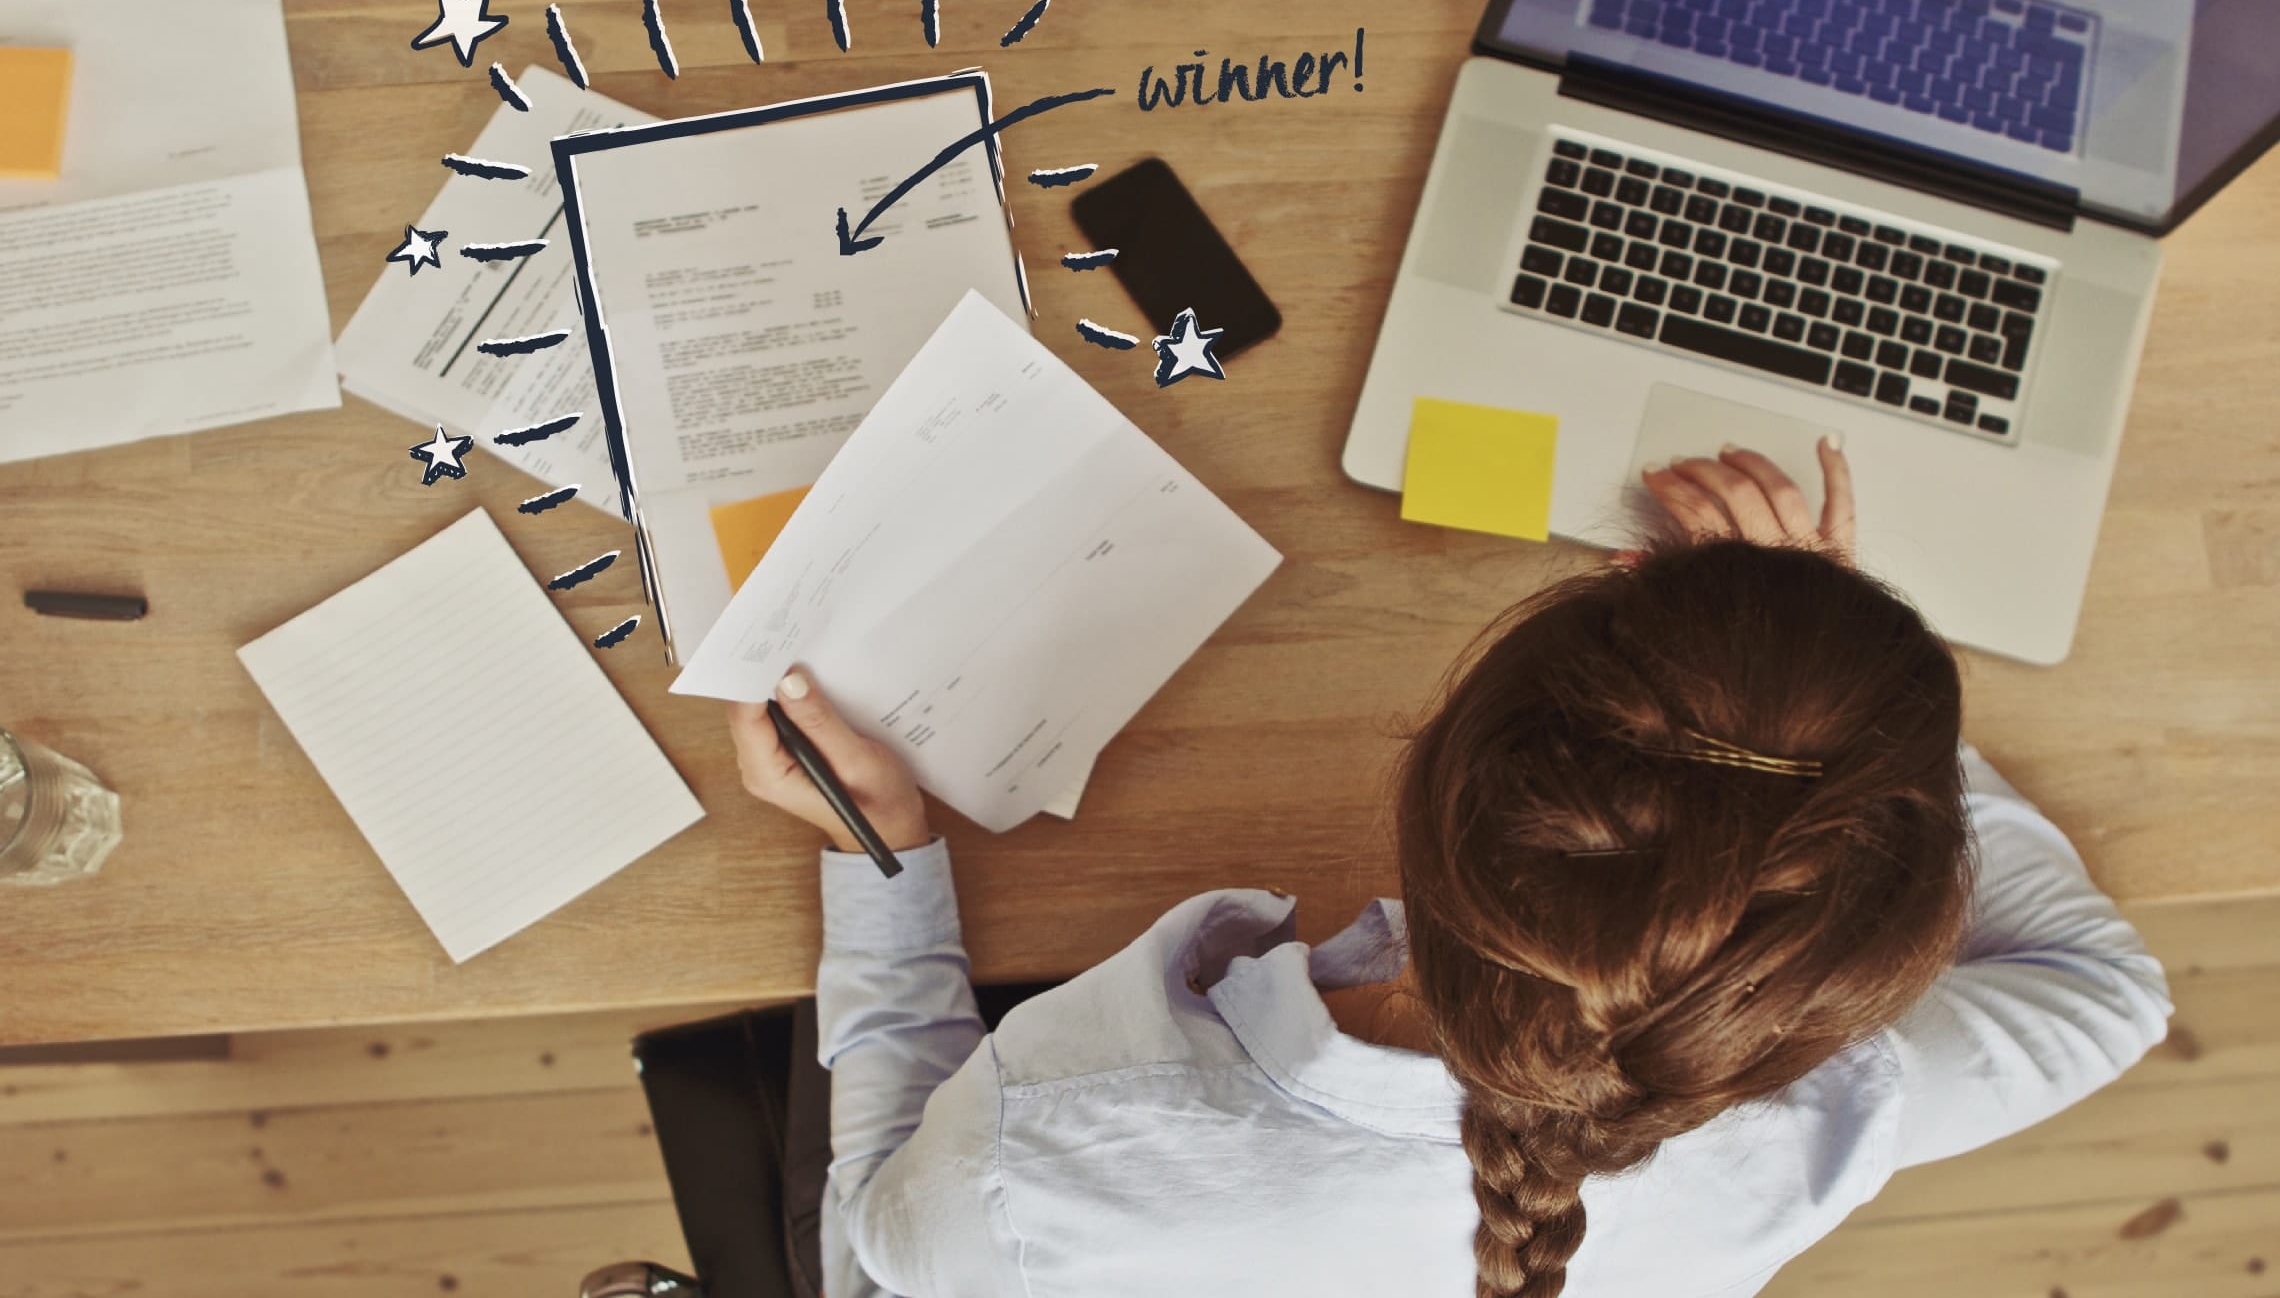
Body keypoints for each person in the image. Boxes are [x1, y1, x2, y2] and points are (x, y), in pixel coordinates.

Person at [730, 442, 2171, 1298]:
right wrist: (1855, 719)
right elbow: (2103, 999)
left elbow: (873, 1257)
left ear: (1429, 761)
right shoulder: (1826, 1119)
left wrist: (890, 865)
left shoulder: (1048, 1151)